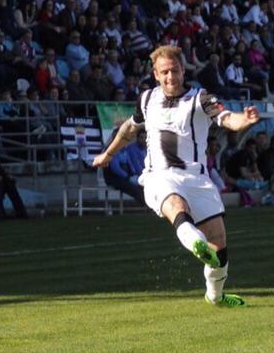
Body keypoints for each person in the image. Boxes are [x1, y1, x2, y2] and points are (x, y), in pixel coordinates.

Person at [92, 45, 260, 308]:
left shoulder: (200, 98)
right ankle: (194, 242)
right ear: (156, 74)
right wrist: (108, 154)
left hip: (196, 179)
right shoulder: (147, 99)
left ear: (183, 69)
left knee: (220, 243)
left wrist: (244, 121)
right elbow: (128, 129)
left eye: (175, 70)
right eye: (165, 72)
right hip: (159, 176)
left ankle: (215, 296)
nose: (171, 77)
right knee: (176, 205)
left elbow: (228, 119)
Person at [103, 128, 147, 205]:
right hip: (114, 177)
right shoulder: (111, 149)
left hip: (125, 175)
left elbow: (129, 162)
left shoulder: (124, 149)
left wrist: (133, 174)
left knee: (142, 186)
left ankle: (148, 206)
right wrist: (128, 177)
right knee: (134, 188)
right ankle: (146, 205)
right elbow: (115, 168)